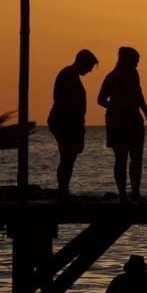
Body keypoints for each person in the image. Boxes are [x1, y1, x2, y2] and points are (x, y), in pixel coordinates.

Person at [97, 46, 147, 202]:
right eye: (135, 61)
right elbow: (100, 99)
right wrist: (115, 107)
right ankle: (122, 194)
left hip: (134, 120)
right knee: (121, 158)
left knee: (137, 157)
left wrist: (146, 111)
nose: (137, 64)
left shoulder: (134, 75)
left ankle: (135, 191)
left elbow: (139, 93)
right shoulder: (111, 77)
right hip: (117, 122)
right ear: (126, 60)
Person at [47, 49, 99, 198]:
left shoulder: (71, 75)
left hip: (69, 124)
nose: (89, 71)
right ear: (82, 62)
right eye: (89, 66)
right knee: (67, 157)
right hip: (64, 123)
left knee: (68, 158)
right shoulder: (67, 75)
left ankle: (64, 189)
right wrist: (74, 126)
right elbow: (62, 102)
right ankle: (63, 190)